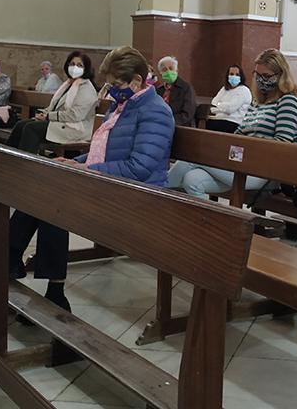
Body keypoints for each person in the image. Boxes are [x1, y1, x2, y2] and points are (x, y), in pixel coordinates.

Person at [10, 47, 174, 313]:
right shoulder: (123, 106)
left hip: (139, 196)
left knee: (55, 197)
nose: (111, 90)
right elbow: (102, 150)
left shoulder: (156, 112)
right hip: (111, 184)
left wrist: (89, 170)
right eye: (109, 84)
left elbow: (140, 167)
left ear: (137, 81)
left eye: (116, 84)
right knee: (46, 181)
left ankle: (49, 287)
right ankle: (14, 263)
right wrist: (75, 162)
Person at [168, 49, 297, 197]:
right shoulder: (257, 102)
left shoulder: (288, 101)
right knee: (192, 180)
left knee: (193, 158)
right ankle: (210, 221)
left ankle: (157, 192)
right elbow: (240, 133)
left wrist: (249, 143)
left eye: (266, 76)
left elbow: (284, 144)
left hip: (267, 172)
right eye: (257, 75)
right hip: (244, 161)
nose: (260, 80)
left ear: (280, 76)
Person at [6, 51, 98, 153]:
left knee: (31, 129)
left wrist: (48, 116)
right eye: (72, 64)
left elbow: (75, 115)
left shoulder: (86, 88)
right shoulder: (68, 84)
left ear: (86, 69)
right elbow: (54, 106)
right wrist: (43, 114)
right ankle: (8, 159)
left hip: (74, 128)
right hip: (60, 122)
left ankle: (26, 165)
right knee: (21, 125)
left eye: (79, 65)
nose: (75, 67)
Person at [207, 65, 252, 133]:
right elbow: (213, 106)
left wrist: (219, 104)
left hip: (234, 123)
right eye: (231, 74)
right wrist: (224, 106)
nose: (234, 76)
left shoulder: (244, 90)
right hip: (218, 120)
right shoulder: (224, 89)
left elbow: (230, 109)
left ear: (241, 77)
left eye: (237, 74)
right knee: (207, 123)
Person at [156, 56, 196, 127]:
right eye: (164, 70)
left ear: (176, 70)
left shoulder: (186, 88)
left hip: (181, 127)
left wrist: (167, 121)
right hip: (160, 126)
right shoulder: (158, 90)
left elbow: (187, 114)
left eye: (171, 68)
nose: (168, 71)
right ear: (160, 73)